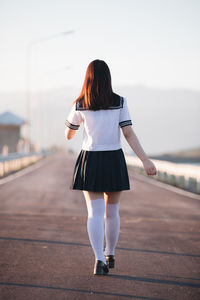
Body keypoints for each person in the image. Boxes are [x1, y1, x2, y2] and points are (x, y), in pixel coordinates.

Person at [64, 59, 157, 275]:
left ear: (87, 78)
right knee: (111, 212)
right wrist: (145, 159)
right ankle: (110, 252)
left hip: (90, 160)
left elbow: (69, 135)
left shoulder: (79, 103)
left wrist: (72, 128)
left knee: (93, 214)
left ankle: (98, 260)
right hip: (114, 158)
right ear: (108, 78)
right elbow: (128, 133)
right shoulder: (120, 102)